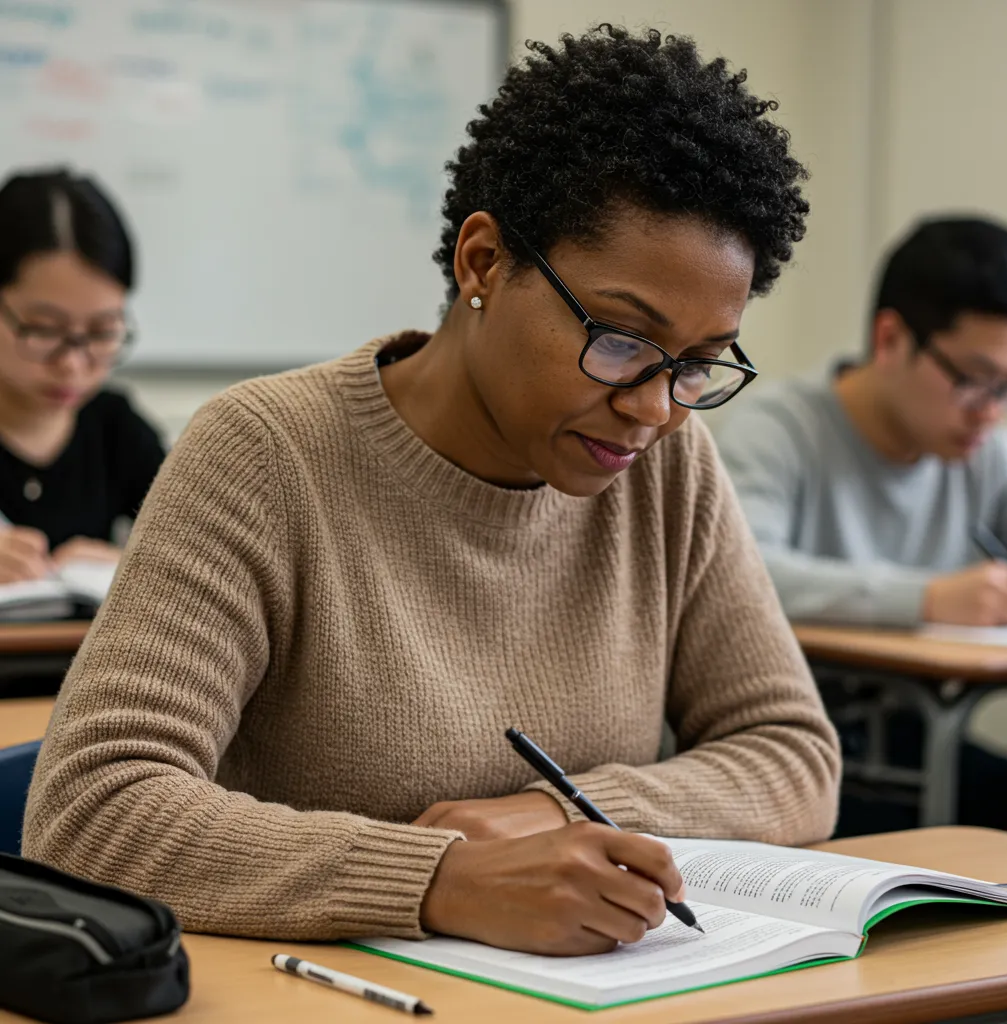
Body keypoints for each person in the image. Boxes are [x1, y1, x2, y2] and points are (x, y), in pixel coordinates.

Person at [24, 26, 840, 955]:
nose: (653, 407)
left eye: (697, 364)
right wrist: (439, 879)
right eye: (619, 339)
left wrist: (557, 813)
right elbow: (93, 810)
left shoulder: (667, 467)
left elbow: (795, 754)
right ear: (483, 262)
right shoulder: (265, 453)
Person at [716, 216, 1007, 833]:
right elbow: (742, 575)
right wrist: (929, 598)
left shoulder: (987, 452)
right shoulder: (776, 432)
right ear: (890, 339)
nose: (989, 411)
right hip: (790, 749)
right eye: (970, 380)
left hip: (917, 740)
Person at [0, 169, 165, 586]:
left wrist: (130, 564)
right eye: (43, 329)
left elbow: (202, 551)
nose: (73, 363)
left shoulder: (117, 429)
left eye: (101, 332)